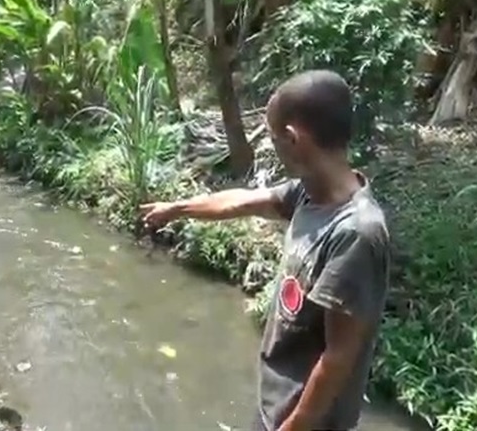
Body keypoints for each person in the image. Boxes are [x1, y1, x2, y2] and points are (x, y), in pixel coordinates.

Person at [139, 70, 390, 431]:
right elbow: (241, 201)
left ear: (292, 138)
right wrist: (176, 208)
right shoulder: (308, 192)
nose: (270, 145)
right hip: (278, 405)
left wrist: (292, 427)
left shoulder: (356, 233)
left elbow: (338, 358)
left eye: (273, 137)